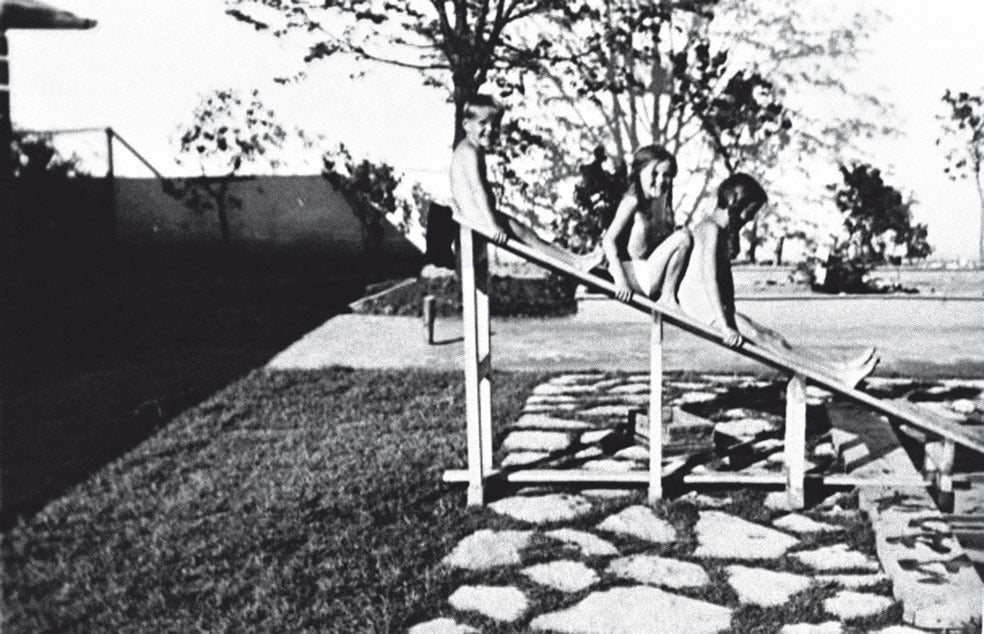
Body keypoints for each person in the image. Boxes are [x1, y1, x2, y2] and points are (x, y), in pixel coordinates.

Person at [678, 172, 878, 387]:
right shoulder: (710, 229)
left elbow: (724, 282)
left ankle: (840, 368)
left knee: (773, 337)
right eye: (751, 211)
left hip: (711, 307)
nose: (751, 218)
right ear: (739, 204)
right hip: (702, 309)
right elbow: (709, 279)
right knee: (759, 336)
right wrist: (726, 326)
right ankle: (839, 378)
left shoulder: (716, 230)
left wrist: (730, 314)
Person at [449, 94, 601, 270]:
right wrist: (492, 225)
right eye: (483, 123)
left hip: (481, 217)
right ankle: (575, 263)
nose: (490, 129)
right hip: (481, 220)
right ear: (466, 124)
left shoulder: (470, 149)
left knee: (529, 237)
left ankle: (575, 261)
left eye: (495, 124)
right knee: (529, 239)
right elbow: (477, 189)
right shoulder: (469, 152)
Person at [600, 145, 693, 306]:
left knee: (685, 235)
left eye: (667, 175)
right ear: (639, 173)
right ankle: (668, 298)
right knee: (684, 238)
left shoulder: (662, 201)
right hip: (632, 276)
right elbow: (608, 240)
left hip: (650, 274)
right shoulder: (632, 200)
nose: (660, 181)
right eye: (654, 174)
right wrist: (621, 281)